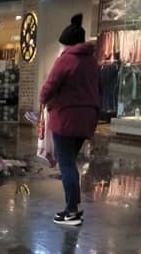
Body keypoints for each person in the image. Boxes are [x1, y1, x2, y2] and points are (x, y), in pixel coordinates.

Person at [39, 13, 100, 226]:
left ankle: (71, 210)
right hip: (87, 118)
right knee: (70, 163)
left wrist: (43, 100)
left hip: (66, 117)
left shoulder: (66, 60)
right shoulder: (91, 61)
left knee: (66, 164)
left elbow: (50, 85)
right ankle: (72, 207)